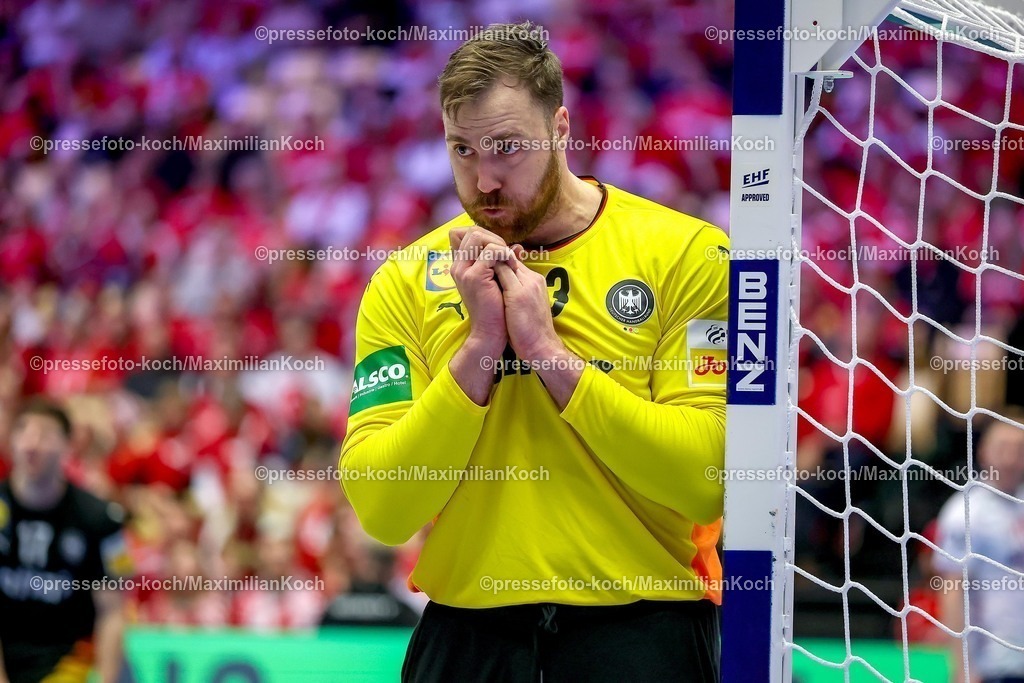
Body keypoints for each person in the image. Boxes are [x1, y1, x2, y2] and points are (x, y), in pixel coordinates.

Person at [338, 21, 728, 682]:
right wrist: (480, 351)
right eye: (462, 149)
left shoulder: (688, 255)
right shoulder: (406, 278)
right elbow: (382, 506)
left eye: (507, 148)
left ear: (562, 128)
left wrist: (548, 352)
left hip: (642, 633)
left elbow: (705, 480)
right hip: (466, 638)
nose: (484, 178)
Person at [0, 400, 129, 683]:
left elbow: (112, 611)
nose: (31, 445)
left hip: (66, 659)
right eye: (23, 432)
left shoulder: (99, 519)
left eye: (45, 435)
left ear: (67, 446)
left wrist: (107, 678)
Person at [936, 418, 1024, 683]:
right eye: (1002, 448)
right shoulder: (965, 511)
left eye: (1019, 450)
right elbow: (952, 590)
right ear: (982, 452)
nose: (1010, 459)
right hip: (994, 664)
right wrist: (962, 666)